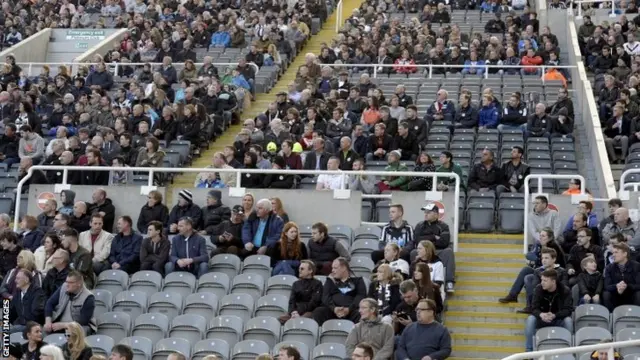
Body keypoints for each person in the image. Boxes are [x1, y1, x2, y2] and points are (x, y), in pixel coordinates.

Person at [524, 269, 574, 352]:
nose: (542, 282)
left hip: (557, 319)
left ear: (553, 281)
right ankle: (529, 351)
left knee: (568, 321)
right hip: (541, 319)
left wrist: (555, 315)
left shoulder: (565, 290)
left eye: (545, 280)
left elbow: (568, 310)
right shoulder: (538, 289)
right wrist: (541, 314)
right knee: (530, 319)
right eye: (541, 280)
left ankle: (568, 350)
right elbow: (533, 308)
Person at [313, 257, 367, 325]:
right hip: (333, 311)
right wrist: (334, 308)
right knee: (319, 311)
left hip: (351, 311)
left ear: (344, 268)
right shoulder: (330, 280)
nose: (332, 270)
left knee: (361, 313)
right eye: (332, 268)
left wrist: (349, 309)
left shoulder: (357, 280)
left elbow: (361, 296)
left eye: (335, 268)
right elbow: (325, 297)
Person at [414, 203, 455, 292]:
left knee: (448, 251)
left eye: (428, 212)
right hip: (423, 251)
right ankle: (413, 280)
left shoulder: (443, 226)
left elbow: (444, 242)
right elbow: (417, 240)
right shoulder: (419, 225)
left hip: (437, 251)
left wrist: (426, 238)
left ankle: (449, 282)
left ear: (436, 214)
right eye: (425, 212)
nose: (425, 214)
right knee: (413, 252)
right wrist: (433, 237)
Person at [44, 270, 96, 335]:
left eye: (70, 282)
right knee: (43, 330)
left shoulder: (88, 297)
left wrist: (64, 325)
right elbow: (49, 303)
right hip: (60, 324)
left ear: (79, 284)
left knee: (74, 331)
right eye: (66, 282)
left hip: (78, 327)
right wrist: (48, 321)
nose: (67, 285)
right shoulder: (64, 287)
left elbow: (83, 321)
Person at [279, 260, 323, 324]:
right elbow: (292, 301)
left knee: (304, 318)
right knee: (280, 319)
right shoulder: (295, 284)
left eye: (302, 269)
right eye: (299, 268)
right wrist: (293, 312)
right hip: (295, 311)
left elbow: (314, 302)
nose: (299, 270)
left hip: (309, 311)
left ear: (310, 271)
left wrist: (298, 312)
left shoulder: (317, 284)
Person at [603, 242, 640, 311]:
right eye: (613, 253)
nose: (613, 255)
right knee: (606, 294)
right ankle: (611, 317)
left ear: (625, 254)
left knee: (639, 294)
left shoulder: (636, 266)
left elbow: (638, 285)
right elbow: (607, 286)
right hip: (615, 295)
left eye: (616, 252)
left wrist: (626, 286)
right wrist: (617, 286)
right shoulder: (609, 268)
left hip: (631, 294)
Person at [9, 269, 45, 333]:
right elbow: (11, 312)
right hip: (20, 324)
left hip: (32, 326)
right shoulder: (18, 293)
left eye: (18, 278)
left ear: (26, 280)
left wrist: (21, 323)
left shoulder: (37, 292)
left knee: (5, 331)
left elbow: (36, 313)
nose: (15, 281)